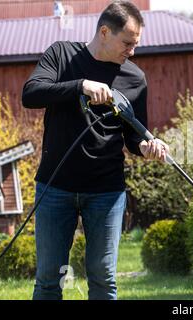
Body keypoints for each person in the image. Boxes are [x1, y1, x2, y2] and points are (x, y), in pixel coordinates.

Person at [22, 1, 168, 300]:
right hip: (54, 187)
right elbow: (31, 93)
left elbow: (133, 137)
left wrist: (147, 147)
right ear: (105, 32)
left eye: (136, 44)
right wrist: (81, 85)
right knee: (49, 281)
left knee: (103, 280)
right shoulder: (61, 55)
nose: (132, 51)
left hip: (106, 192)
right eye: (127, 43)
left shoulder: (135, 79)